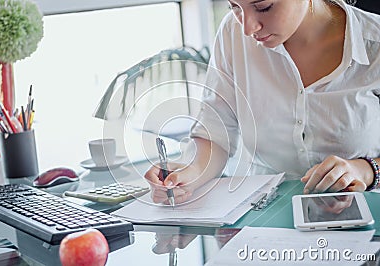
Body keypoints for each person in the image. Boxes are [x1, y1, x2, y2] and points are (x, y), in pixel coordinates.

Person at [144, 0, 380, 205]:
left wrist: (368, 169)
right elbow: (216, 133)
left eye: (263, 7)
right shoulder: (232, 32)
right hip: (263, 217)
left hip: (364, 218)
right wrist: (192, 173)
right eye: (235, 7)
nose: (248, 28)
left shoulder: (375, 43)